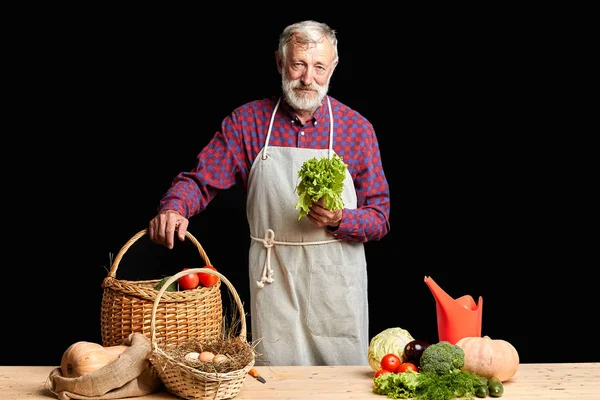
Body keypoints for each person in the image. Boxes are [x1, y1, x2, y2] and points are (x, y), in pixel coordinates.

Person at [148, 20, 390, 366]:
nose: (308, 78)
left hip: (336, 283)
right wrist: (175, 208)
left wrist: (341, 218)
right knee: (276, 377)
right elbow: (201, 180)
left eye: (318, 66)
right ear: (280, 62)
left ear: (333, 68)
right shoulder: (248, 122)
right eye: (298, 64)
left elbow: (379, 217)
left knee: (340, 381)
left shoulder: (357, 130)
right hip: (273, 275)